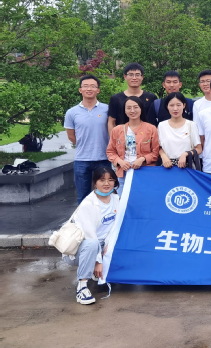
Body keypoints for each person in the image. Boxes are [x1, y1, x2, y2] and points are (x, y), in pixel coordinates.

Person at [64, 166, 119, 305]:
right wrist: (98, 261)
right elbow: (90, 236)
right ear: (95, 183)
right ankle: (82, 287)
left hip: (102, 245)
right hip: (81, 248)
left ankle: (101, 274)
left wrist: (108, 247)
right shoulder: (88, 204)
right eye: (102, 180)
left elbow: (114, 228)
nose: (106, 183)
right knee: (93, 244)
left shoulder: (116, 199)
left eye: (110, 180)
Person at [64, 75, 111, 203]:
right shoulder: (72, 112)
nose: (89, 89)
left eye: (92, 86)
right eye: (85, 86)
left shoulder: (107, 109)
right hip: (82, 160)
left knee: (105, 194)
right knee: (83, 197)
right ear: (80, 90)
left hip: (104, 158)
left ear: (98, 90)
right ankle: (83, 217)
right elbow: (71, 136)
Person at [106, 96, 160, 189]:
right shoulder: (117, 130)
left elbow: (155, 152)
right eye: (128, 108)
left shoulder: (151, 129)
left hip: (145, 172)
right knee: (122, 197)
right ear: (125, 110)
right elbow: (110, 152)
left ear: (141, 109)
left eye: (135, 107)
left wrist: (142, 159)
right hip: (123, 173)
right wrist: (120, 162)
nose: (132, 110)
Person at [107, 63, 157, 134]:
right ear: (125, 77)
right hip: (122, 137)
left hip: (146, 137)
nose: (134, 78)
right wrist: (113, 138)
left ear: (142, 77)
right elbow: (111, 122)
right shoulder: (116, 98)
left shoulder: (151, 97)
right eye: (131, 75)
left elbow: (155, 120)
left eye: (137, 75)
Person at [157, 92, 202, 169]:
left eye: (178, 105)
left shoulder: (191, 125)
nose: (175, 109)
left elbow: (199, 149)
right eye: (171, 105)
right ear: (167, 106)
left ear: (184, 105)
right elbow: (158, 147)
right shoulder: (162, 125)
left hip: (187, 167)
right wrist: (163, 156)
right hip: (167, 166)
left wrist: (185, 154)